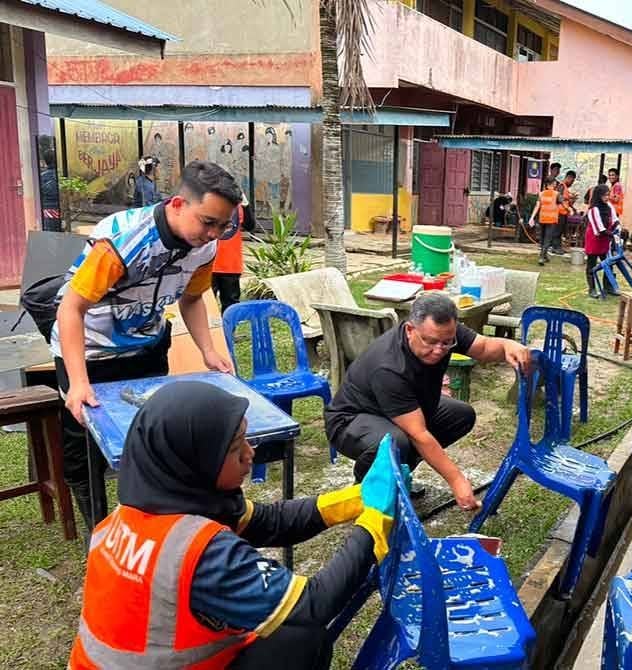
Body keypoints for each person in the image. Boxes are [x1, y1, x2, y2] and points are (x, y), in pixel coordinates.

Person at [69, 381, 400, 669]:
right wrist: (374, 523)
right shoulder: (202, 554)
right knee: (301, 636)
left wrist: (353, 500)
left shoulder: (139, 513)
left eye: (246, 438)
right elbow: (313, 605)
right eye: (233, 447)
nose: (249, 454)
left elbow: (268, 522)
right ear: (194, 458)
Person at [51, 160, 240, 533]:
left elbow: (193, 298)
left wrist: (207, 350)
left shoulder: (204, 247)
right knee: (86, 449)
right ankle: (103, 533)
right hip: (90, 352)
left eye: (223, 225)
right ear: (177, 205)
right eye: (208, 222)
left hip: (146, 347)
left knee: (152, 437)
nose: (214, 233)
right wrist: (78, 381)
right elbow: (71, 309)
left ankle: (150, 523)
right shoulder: (122, 240)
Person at [324, 293, 532, 512]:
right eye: (431, 342)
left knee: (461, 415)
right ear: (410, 330)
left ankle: (398, 475)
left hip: (399, 412)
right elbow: (419, 435)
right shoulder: (389, 367)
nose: (439, 350)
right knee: (397, 441)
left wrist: (509, 345)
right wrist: (457, 481)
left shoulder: (444, 332)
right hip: (350, 422)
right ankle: (366, 491)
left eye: (447, 343)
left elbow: (483, 348)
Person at [212, 193, 258, 315]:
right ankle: (211, 333)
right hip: (208, 263)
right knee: (206, 305)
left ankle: (228, 333)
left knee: (231, 306)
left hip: (230, 263)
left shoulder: (238, 205)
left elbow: (250, 225)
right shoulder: (207, 201)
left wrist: (245, 204)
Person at [584, 184, 618, 299]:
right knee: (591, 265)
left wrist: (617, 229)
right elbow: (599, 228)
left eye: (608, 195)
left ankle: (608, 287)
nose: (607, 197)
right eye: (605, 195)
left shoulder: (609, 206)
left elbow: (615, 220)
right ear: (599, 196)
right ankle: (592, 289)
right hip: (595, 239)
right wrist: (611, 234)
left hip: (605, 239)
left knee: (608, 263)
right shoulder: (593, 209)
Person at [528, 176, 563, 266]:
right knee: (548, 239)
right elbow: (562, 204)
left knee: (543, 238)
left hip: (542, 218)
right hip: (551, 219)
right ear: (553, 184)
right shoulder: (557, 194)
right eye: (555, 183)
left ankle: (545, 255)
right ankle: (541, 257)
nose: (556, 184)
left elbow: (537, 206)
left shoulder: (541, 194)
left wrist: (532, 217)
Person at [552, 169, 578, 256]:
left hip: (564, 212)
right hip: (559, 212)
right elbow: (558, 198)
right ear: (569, 178)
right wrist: (568, 200)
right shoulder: (561, 186)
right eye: (572, 180)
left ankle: (558, 247)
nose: (572, 183)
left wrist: (572, 203)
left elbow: (566, 200)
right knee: (557, 231)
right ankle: (555, 247)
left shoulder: (566, 188)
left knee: (561, 231)